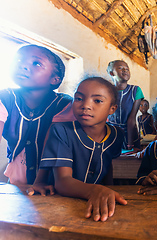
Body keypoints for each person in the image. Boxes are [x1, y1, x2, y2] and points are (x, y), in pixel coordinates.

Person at [37, 77, 127, 221]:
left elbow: (108, 163)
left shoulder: (117, 134)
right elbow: (63, 182)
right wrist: (96, 190)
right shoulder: (62, 131)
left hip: (94, 202)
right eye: (79, 98)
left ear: (112, 108)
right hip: (60, 204)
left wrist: (108, 189)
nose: (86, 105)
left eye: (97, 101)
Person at [0, 44, 74, 185]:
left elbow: (55, 146)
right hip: (18, 180)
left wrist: (40, 181)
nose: (23, 66)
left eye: (36, 63)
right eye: (19, 60)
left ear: (55, 79)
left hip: (55, 180)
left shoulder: (64, 104)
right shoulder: (5, 98)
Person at [107, 60, 144, 150]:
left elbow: (131, 118)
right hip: (110, 132)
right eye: (120, 68)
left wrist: (130, 143)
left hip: (130, 133)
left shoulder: (135, 91)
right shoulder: (108, 91)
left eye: (127, 69)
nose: (125, 70)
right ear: (112, 73)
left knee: (129, 161)